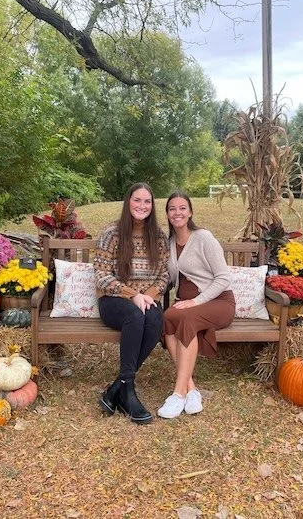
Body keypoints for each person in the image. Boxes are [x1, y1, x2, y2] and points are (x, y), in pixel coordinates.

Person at [94, 182, 170, 425]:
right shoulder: (112, 233)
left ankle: (119, 387)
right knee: (135, 316)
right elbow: (102, 275)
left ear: (152, 206)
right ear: (128, 202)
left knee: (156, 319)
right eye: (137, 200)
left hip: (145, 298)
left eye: (147, 201)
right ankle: (128, 392)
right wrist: (132, 295)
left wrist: (147, 295)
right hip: (114, 301)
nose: (142, 206)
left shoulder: (158, 236)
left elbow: (164, 275)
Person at [158, 191, 236, 419]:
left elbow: (223, 278)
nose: (177, 212)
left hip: (218, 301)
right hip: (186, 304)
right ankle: (191, 389)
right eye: (172, 208)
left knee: (186, 318)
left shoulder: (203, 238)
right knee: (166, 318)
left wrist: (195, 301)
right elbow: (170, 279)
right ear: (167, 214)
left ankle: (177, 394)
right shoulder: (170, 243)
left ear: (190, 212)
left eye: (182, 208)